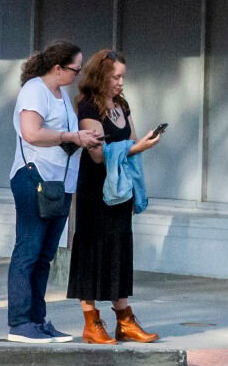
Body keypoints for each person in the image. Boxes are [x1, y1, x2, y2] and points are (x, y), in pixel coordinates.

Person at [8, 40, 102, 344]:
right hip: (34, 179)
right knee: (29, 250)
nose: (77, 75)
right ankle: (20, 322)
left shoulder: (61, 95)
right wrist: (69, 135)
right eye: (75, 69)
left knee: (45, 254)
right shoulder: (35, 90)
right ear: (58, 68)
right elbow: (31, 132)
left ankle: (38, 319)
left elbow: (62, 138)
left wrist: (81, 138)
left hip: (59, 183)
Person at [67, 49, 164, 344]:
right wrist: (138, 148)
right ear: (100, 76)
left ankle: (125, 319)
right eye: (116, 77)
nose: (121, 82)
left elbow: (129, 139)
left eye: (123, 76)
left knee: (120, 248)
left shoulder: (121, 104)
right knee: (92, 248)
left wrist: (139, 144)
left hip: (120, 189)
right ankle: (91, 322)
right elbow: (97, 155)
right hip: (95, 189)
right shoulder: (87, 107)